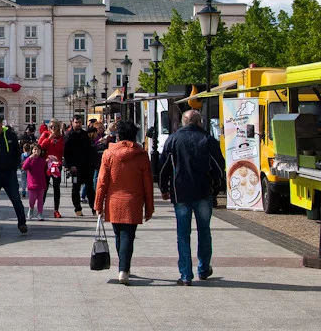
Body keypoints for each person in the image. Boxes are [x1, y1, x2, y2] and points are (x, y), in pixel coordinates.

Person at [159, 110, 225, 285]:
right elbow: (218, 167)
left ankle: (186, 274)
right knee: (204, 230)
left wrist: (164, 187)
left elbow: (163, 166)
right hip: (203, 191)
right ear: (199, 122)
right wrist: (216, 185)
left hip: (180, 191)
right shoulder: (208, 140)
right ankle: (203, 269)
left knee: (183, 233)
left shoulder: (173, 139)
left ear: (183, 122)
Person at [95, 121, 154, 285]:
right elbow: (147, 184)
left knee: (118, 234)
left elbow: (101, 182)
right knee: (128, 235)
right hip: (133, 201)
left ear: (118, 136)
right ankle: (124, 268)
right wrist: (149, 207)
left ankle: (123, 267)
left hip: (114, 200)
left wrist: (98, 204)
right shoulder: (141, 155)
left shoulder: (108, 154)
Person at [40, 120, 76, 217]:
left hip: (56, 165)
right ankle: (40, 209)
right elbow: (39, 147)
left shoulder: (62, 137)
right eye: (51, 127)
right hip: (46, 165)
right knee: (45, 188)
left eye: (55, 127)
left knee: (57, 188)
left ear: (58, 127)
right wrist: (48, 139)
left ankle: (56, 210)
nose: (53, 129)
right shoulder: (45, 134)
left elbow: (64, 150)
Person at [64, 117, 96, 214]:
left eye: (80, 122)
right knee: (75, 188)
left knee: (90, 189)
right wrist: (70, 166)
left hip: (87, 167)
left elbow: (89, 150)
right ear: (72, 123)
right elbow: (66, 153)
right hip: (75, 168)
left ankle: (94, 208)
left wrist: (92, 164)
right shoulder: (69, 135)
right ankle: (78, 208)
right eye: (76, 122)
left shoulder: (84, 134)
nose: (78, 124)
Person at [22, 143, 49, 222]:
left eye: (38, 149)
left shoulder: (42, 160)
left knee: (40, 199)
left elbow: (47, 165)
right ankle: (31, 208)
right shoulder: (29, 159)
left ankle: (39, 213)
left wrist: (51, 160)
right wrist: (30, 158)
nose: (36, 151)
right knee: (32, 199)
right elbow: (24, 167)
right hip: (32, 183)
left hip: (41, 183)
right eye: (34, 149)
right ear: (31, 150)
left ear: (41, 151)